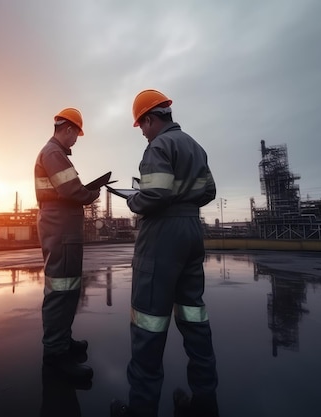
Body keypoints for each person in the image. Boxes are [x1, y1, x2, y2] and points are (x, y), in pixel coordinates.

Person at [110, 90, 219, 417]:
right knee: (193, 316)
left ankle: (142, 408)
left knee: (148, 322)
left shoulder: (159, 146)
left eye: (141, 125)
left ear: (150, 119)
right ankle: (205, 401)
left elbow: (155, 192)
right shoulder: (194, 146)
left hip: (162, 235)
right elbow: (210, 191)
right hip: (191, 231)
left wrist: (133, 201)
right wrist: (185, 204)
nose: (142, 131)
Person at [34, 107, 100, 380]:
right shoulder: (53, 153)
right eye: (76, 135)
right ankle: (55, 355)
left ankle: (62, 340)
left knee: (68, 287)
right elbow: (72, 189)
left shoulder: (56, 154)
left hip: (64, 228)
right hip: (60, 228)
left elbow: (68, 188)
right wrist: (91, 193)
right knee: (60, 290)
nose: (76, 141)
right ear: (69, 129)